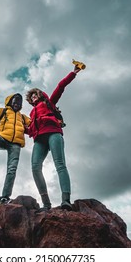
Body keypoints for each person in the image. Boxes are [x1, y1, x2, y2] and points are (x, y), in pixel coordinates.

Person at [25, 61, 83, 211]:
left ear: (40, 95)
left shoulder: (49, 102)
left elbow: (60, 86)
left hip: (53, 133)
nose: (33, 98)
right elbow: (31, 129)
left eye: (34, 95)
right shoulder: (32, 113)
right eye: (30, 98)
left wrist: (73, 73)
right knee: (35, 167)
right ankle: (46, 204)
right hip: (39, 139)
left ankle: (66, 200)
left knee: (60, 164)